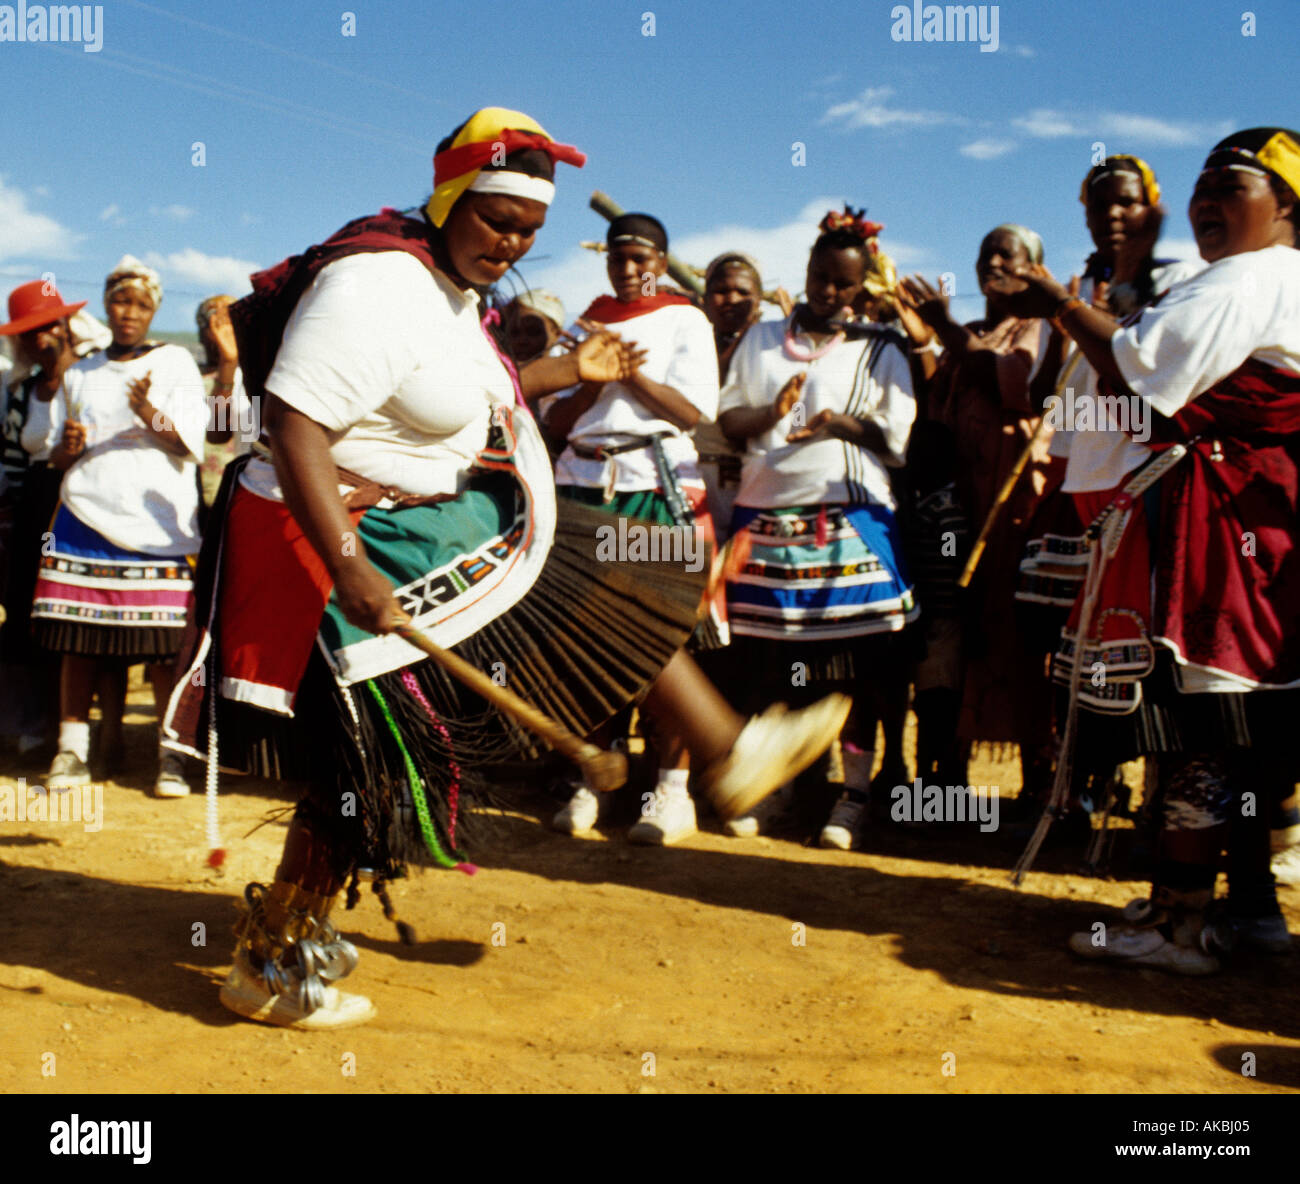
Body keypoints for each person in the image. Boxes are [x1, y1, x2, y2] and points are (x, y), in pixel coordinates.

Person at [163, 107, 848, 1029]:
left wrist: (577, 366)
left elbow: (472, 397)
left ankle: (726, 752)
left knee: (596, 572)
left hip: (419, 525)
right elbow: (294, 425)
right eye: (496, 222)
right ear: (449, 197)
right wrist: (352, 564)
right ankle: (271, 962)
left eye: (529, 232)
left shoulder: (449, 293)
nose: (512, 244)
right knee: (363, 767)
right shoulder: (376, 282)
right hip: (325, 546)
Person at [999, 127, 1300, 973]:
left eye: (1232, 184)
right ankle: (1241, 912)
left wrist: (1059, 302)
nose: (1209, 198)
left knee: (1195, 723)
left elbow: (1137, 371)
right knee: (1234, 727)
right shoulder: (1256, 277)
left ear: (1286, 207)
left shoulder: (1250, 277)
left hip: (1216, 534)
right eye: (1202, 182)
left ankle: (1179, 925)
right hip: (1240, 526)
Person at [718, 208, 918, 847]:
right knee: (769, 662)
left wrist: (839, 425)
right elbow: (730, 422)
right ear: (804, 271)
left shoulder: (881, 348)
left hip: (847, 519)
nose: (827, 292)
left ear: (861, 289)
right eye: (819, 277)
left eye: (842, 283)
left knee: (854, 665)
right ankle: (776, 787)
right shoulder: (760, 338)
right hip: (766, 514)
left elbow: (899, 444)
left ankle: (852, 797)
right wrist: (770, 411)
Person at [535, 212, 727, 846]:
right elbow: (555, 419)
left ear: (663, 263)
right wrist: (591, 377)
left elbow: (692, 412)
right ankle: (595, 780)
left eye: (641, 259)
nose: (628, 270)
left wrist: (632, 374)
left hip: (655, 487)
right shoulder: (582, 323)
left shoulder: (686, 318)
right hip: (581, 485)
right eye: (618, 258)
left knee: (657, 635)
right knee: (588, 637)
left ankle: (670, 794)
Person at [28, 259, 206, 797]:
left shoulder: (175, 363)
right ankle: (71, 752)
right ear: (107, 306)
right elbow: (56, 456)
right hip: (85, 516)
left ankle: (169, 756)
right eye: (121, 302)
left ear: (155, 310)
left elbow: (189, 444)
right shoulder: (79, 372)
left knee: (162, 648)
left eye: (142, 305)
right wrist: (68, 450)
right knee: (77, 642)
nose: (129, 314)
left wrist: (148, 411)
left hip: (158, 527)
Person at [898, 225, 1056, 808]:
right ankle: (944, 782)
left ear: (1034, 268)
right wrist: (924, 344)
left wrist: (942, 328)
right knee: (948, 635)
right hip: (952, 515)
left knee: (1015, 639)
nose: (992, 260)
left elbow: (1005, 381)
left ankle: (1040, 786)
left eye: (1007, 254)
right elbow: (934, 409)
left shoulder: (1041, 330)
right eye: (984, 251)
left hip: (1013, 513)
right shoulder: (968, 334)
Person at [0, 284, 110, 759]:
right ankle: (32, 724)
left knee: (78, 611)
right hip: (33, 507)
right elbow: (10, 459)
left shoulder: (95, 378)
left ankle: (95, 730)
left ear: (67, 327)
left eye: (49, 324)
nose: (42, 336)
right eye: (30, 331)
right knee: (26, 611)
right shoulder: (21, 393)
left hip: (86, 502)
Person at [196, 294, 254, 508]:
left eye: (233, 317)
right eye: (218, 320)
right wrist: (227, 363)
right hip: (204, 492)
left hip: (244, 490)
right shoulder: (192, 380)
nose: (227, 327)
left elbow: (251, 439)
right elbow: (218, 433)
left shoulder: (254, 375)